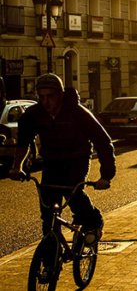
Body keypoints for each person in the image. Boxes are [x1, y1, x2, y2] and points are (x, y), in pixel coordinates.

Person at [9, 75, 115, 276]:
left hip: (77, 158)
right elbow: (23, 141)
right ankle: (50, 263)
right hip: (52, 161)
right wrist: (17, 167)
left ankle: (93, 221)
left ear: (60, 95)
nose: (46, 102)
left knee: (73, 192)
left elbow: (103, 142)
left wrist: (106, 176)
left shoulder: (77, 113)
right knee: (48, 214)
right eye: (42, 97)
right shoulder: (35, 114)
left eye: (50, 96)